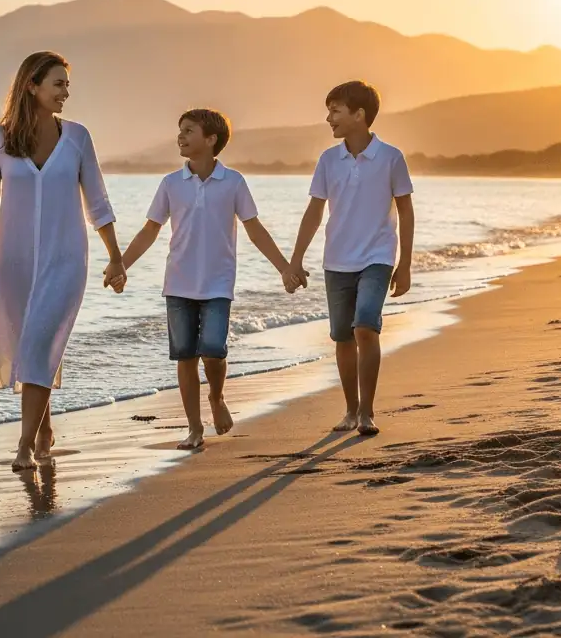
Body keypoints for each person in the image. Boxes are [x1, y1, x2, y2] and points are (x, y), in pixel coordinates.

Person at [0, 51, 125, 472]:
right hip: (12, 262)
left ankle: (24, 445)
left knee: (38, 344)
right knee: (26, 346)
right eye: (58, 83)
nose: (66, 92)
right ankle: (44, 428)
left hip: (66, 259)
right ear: (31, 85)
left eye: (67, 84)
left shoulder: (77, 138)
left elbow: (98, 201)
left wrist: (115, 257)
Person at [121, 109, 303, 451]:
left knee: (214, 351)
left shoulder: (233, 182)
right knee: (185, 356)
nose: (180, 136)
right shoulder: (170, 184)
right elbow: (150, 230)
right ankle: (194, 428)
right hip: (178, 283)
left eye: (189, 131)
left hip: (218, 283)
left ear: (211, 139)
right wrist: (122, 264)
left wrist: (283, 267)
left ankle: (216, 397)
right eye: (180, 130)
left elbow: (255, 229)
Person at [290, 80, 414, 437]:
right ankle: (349, 410)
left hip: (377, 256)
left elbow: (405, 212)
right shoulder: (328, 160)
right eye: (329, 111)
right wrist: (296, 259)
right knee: (342, 338)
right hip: (337, 260)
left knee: (364, 327)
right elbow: (314, 212)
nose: (329, 118)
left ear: (359, 115)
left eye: (335, 111)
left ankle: (367, 411)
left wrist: (404, 263)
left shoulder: (391, 157)